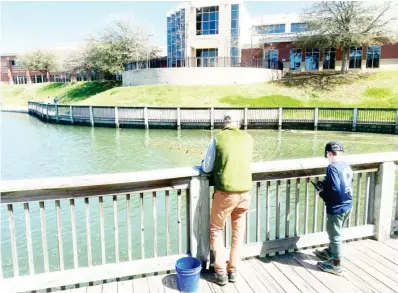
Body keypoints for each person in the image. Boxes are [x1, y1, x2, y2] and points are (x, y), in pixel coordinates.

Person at [201, 113, 253, 286]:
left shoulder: (218, 138)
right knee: (238, 233)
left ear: (224, 124)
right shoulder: (248, 138)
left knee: (216, 230)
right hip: (245, 193)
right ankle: (233, 270)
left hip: (225, 193)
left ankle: (221, 273)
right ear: (238, 124)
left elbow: (207, 167)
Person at [315, 141, 353, 275]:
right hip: (348, 205)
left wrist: (322, 194)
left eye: (327, 154)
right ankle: (330, 252)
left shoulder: (332, 167)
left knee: (334, 234)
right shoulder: (345, 165)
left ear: (329, 153)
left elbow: (336, 189)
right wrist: (325, 184)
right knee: (336, 231)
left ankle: (336, 265)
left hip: (337, 207)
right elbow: (344, 183)